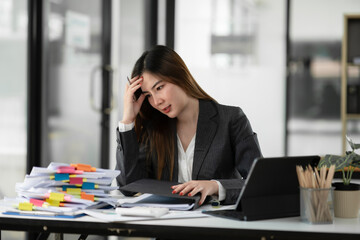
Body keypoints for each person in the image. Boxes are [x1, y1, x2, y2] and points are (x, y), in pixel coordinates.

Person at [116, 45, 262, 205]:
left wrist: (215, 186)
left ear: (179, 76)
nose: (157, 101)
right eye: (148, 95)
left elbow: (261, 183)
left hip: (216, 225)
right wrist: (127, 121)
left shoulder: (231, 120)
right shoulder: (153, 128)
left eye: (159, 88)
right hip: (167, 226)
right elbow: (128, 187)